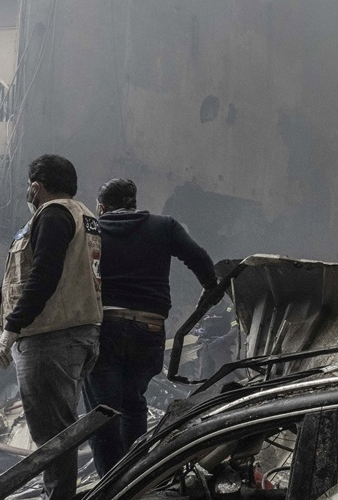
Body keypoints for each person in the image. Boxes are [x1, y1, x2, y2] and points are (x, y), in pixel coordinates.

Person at [83, 178, 217, 475]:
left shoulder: (93, 230)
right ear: (133, 203)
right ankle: (137, 480)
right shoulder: (164, 226)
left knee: (102, 415)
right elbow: (201, 259)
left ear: (102, 207)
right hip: (150, 330)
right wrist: (208, 291)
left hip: (105, 329)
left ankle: (112, 490)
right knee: (134, 404)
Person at [0, 155, 102, 500]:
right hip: (77, 334)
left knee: (53, 435)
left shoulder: (53, 215)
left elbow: (43, 275)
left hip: (50, 339)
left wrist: (12, 328)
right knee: (62, 429)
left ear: (36, 187)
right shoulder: (85, 216)